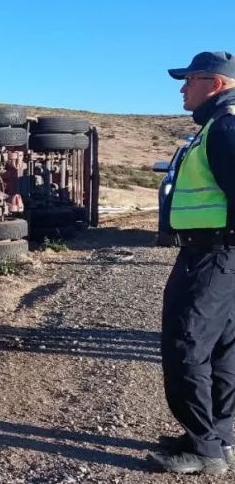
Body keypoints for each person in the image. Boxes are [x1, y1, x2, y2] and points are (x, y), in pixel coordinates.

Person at [148, 51, 235, 475]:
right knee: (222, 346)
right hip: (221, 254)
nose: (183, 88)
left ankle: (204, 449)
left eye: (189, 80)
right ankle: (216, 433)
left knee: (187, 343)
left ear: (214, 83)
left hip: (213, 255)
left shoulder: (226, 127)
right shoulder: (221, 125)